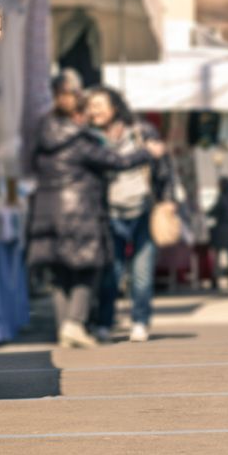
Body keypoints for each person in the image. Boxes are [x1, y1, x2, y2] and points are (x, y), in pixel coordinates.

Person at [27, 84, 165, 348]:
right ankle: (74, 323)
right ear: (77, 116)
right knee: (87, 270)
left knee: (60, 274)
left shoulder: (44, 138)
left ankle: (64, 328)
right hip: (78, 213)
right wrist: (148, 152)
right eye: (86, 113)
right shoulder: (78, 141)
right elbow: (118, 162)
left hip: (46, 213)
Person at [87, 87, 174, 344]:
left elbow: (163, 166)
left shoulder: (141, 132)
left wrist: (168, 199)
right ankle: (104, 323)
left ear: (115, 107)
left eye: (100, 104)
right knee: (110, 274)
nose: (95, 110)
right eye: (91, 105)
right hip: (109, 213)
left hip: (143, 210)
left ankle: (140, 321)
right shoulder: (90, 137)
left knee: (142, 273)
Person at [208, 175, 228, 290]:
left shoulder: (223, 197)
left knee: (217, 256)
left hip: (221, 228)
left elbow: (215, 210)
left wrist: (206, 213)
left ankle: (215, 280)